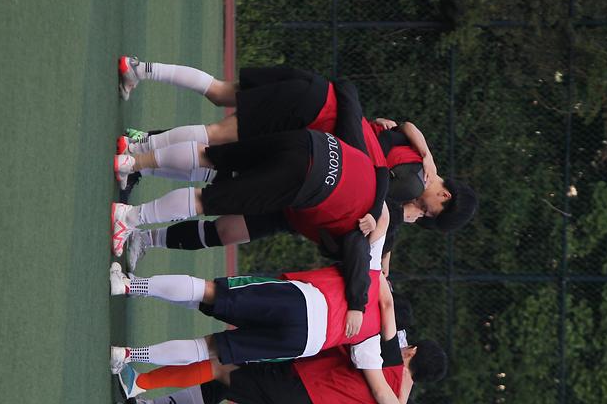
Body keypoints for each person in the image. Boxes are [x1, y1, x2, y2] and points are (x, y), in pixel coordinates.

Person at [113, 58, 477, 272]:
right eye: (431, 212)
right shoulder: (410, 181)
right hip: (312, 124)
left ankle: (139, 119)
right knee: (218, 140)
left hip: (312, 129)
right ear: (444, 195)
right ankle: (137, 151)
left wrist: (422, 152)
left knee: (221, 109)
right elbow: (378, 201)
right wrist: (388, 227)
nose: (424, 214)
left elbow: (395, 130)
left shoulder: (413, 157)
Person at [109, 74, 389, 305]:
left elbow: (380, 172)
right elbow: (357, 256)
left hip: (309, 142)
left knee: (212, 155)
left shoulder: (376, 177)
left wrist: (377, 209)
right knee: (208, 199)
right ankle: (129, 217)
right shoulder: (358, 232)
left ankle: (131, 162)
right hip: (302, 175)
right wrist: (357, 304)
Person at [107, 224, 394, 370]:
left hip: (305, 302)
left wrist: (380, 271)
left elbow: (381, 216)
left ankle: (129, 286)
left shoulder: (373, 274)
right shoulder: (374, 337)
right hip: (304, 343)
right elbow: (379, 386)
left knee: (211, 291)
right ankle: (127, 356)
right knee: (210, 349)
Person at [110, 334, 445, 404]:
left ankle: (139, 383)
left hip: (302, 392)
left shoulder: (389, 357)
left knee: (221, 366)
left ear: (412, 350)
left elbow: (346, 342)